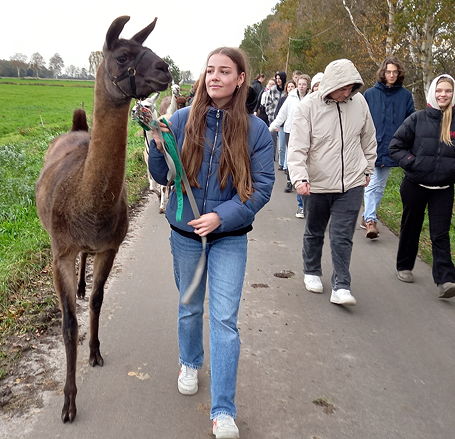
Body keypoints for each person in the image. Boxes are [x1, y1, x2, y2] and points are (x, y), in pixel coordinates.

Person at [149, 47, 275, 438]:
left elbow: (262, 187)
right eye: (209, 71)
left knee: (223, 319)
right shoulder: (182, 119)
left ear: (240, 79)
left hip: (229, 237)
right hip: (185, 233)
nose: (214, 77)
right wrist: (156, 145)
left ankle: (223, 410)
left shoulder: (255, 131)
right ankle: (190, 360)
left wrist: (223, 216)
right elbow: (164, 175)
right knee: (189, 306)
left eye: (224, 71)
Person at [287, 59, 377, 306]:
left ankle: (341, 285)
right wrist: (300, 178)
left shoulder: (359, 102)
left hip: (351, 183)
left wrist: (367, 168)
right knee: (315, 231)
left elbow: (369, 138)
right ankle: (312, 270)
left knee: (342, 235)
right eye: (342, 87)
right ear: (330, 84)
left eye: (351, 87)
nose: (346, 93)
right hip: (317, 184)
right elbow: (296, 147)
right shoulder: (308, 107)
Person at [389, 74, 455, 298]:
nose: (443, 95)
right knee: (411, 226)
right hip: (415, 184)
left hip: (443, 189)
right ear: (432, 93)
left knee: (440, 233)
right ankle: (404, 266)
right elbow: (395, 146)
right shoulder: (417, 119)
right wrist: (412, 162)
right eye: (439, 90)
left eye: (447, 91)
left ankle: (446, 279)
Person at [361, 57, 415, 239]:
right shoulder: (370, 94)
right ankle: (370, 220)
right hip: (371, 146)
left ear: (399, 74)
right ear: (383, 73)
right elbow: (362, 120)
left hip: (392, 147)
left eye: (395, 72)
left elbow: (411, 122)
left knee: (380, 186)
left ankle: (367, 215)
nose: (391, 75)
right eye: (388, 72)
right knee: (372, 183)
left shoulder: (405, 96)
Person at [269, 75, 309, 208]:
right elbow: (283, 113)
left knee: (301, 157)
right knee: (291, 155)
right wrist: (274, 126)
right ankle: (289, 180)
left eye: (304, 84)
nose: (302, 86)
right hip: (290, 130)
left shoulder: (311, 98)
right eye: (300, 84)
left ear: (308, 85)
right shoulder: (291, 97)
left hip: (305, 132)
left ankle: (298, 180)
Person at [273, 80, 296, 171]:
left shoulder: (298, 99)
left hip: (292, 126)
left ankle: (287, 166)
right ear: (286, 88)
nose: (290, 88)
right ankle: (281, 163)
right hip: (283, 126)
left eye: (292, 86)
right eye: (289, 87)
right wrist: (277, 125)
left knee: (289, 148)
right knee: (282, 147)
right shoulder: (283, 99)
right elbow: (278, 112)